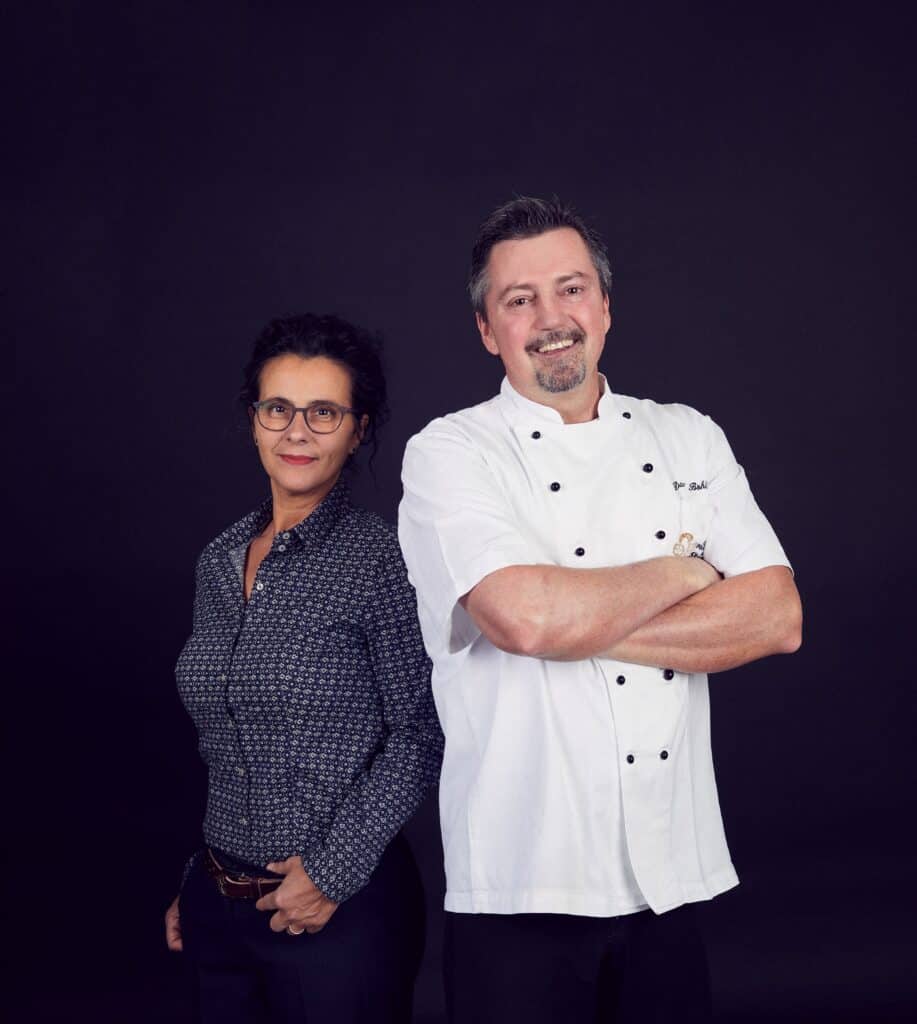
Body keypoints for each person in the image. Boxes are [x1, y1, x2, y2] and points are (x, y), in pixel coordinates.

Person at [397, 197, 803, 1023]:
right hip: (518, 882)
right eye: (520, 299)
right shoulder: (451, 452)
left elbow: (775, 617)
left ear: (605, 307)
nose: (551, 318)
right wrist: (687, 570)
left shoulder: (687, 436)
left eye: (571, 289)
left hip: (668, 874)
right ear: (486, 329)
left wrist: (571, 616)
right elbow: (525, 620)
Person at [166, 313, 443, 1024]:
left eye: (323, 412)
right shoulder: (218, 560)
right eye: (278, 409)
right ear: (253, 421)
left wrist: (330, 871)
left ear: (357, 429)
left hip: (339, 911)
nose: (297, 432)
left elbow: (422, 731)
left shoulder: (382, 560)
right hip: (216, 910)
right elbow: (227, 738)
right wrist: (202, 879)